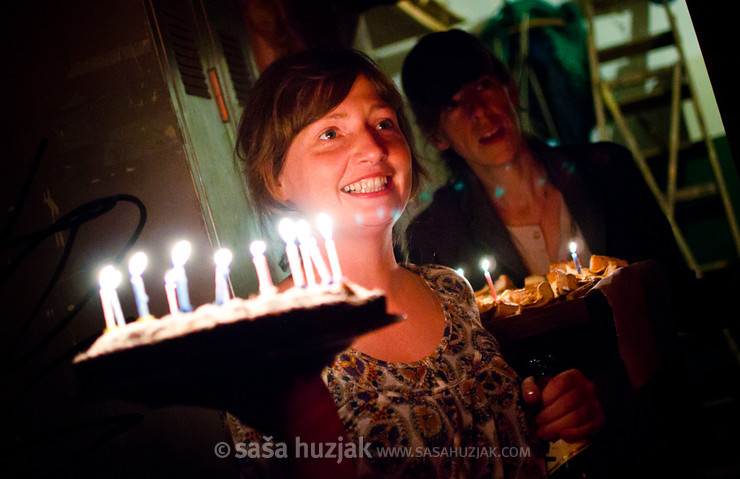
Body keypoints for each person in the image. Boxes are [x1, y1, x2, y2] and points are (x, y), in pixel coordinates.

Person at [230, 47, 606, 478]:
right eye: (331, 134)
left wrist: (560, 412)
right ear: (274, 177)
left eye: (384, 123)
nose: (372, 148)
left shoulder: (451, 291)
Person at [401, 29, 690, 291]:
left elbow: (680, 293)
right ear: (436, 136)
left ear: (509, 89)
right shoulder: (437, 234)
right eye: (452, 104)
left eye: (482, 84)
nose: (477, 110)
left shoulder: (608, 169)